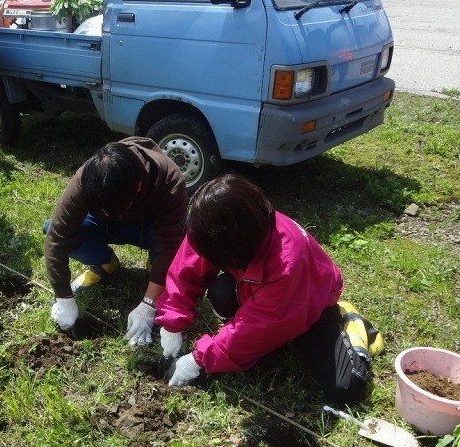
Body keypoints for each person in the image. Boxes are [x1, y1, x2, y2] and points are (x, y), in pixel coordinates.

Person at [156, 173, 382, 404]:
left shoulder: (287, 264)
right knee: (221, 293)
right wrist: (173, 321)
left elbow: (256, 326)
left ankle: (352, 323)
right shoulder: (217, 220)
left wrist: (198, 359)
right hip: (265, 297)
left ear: (238, 245)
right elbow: (188, 266)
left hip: (308, 303)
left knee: (345, 387)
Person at [46, 138, 187, 345]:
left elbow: (169, 244)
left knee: (179, 245)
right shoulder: (88, 178)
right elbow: (57, 236)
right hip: (105, 226)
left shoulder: (169, 180)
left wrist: (148, 305)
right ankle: (105, 263)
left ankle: (155, 269)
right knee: (50, 227)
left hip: (150, 229)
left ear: (138, 186)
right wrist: (63, 296)